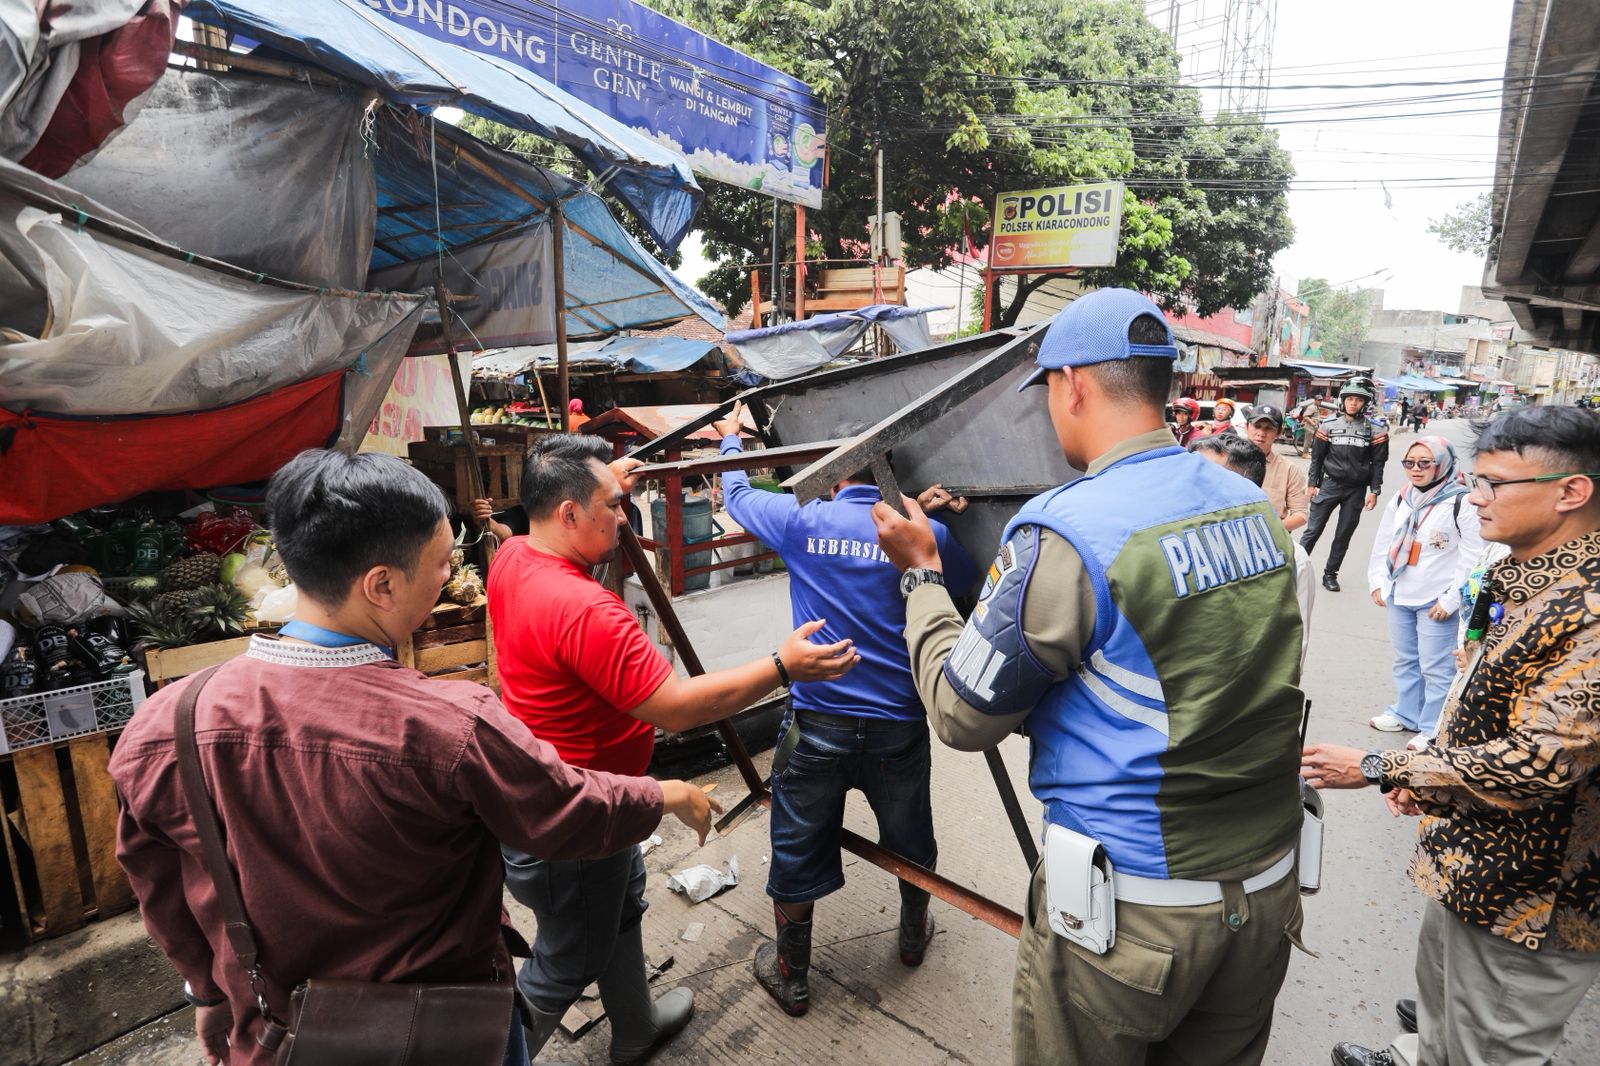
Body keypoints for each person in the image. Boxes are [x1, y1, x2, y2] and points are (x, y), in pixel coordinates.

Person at [110, 450, 720, 1066]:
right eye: (442, 563)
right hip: (441, 1028)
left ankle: (635, 1025)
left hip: (280, 1036)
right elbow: (562, 809)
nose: (448, 576)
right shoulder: (445, 725)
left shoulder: (166, 725)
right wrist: (663, 793)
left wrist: (208, 992)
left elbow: (159, 882)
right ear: (382, 585)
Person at [872, 288, 1308, 1066]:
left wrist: (923, 576)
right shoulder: (1251, 506)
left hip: (1135, 916)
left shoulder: (1069, 530)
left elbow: (961, 714)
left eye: (1046, 392)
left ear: (1071, 385)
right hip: (1267, 890)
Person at [487, 434, 860, 1064]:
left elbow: (578, 527)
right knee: (565, 962)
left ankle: (635, 1028)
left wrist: (604, 484)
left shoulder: (515, 555)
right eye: (613, 505)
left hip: (571, 795)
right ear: (569, 512)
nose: (624, 516)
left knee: (621, 904)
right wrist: (782, 666)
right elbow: (680, 707)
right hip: (575, 819)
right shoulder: (587, 610)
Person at [1302, 405, 1600, 1066]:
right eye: (1474, 479)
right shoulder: (1520, 575)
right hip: (1474, 866)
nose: (1476, 496)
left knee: (1486, 1050)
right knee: (1442, 1028)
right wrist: (1431, 770)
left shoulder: (1590, 607)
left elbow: (1541, 760)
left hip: (1532, 898)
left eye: (1494, 483)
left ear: (1571, 491)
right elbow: (1484, 695)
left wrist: (1384, 768)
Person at [709, 404, 979, 1016]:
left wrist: (730, 442)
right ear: (889, 474)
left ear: (831, 476)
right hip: (898, 729)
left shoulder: (800, 519)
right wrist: (928, 521)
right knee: (911, 840)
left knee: (795, 849)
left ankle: (793, 977)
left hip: (817, 726)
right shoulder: (925, 535)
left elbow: (738, 496)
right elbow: (961, 580)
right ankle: (912, 938)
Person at [1365, 436, 1483, 752]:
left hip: (1436, 599)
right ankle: (1406, 713)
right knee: (1406, 660)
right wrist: (1378, 581)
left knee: (1437, 668)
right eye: (1409, 463)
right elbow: (1385, 539)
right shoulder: (1403, 496)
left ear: (1442, 464)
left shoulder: (1461, 501)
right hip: (1399, 591)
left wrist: (1451, 599)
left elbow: (1472, 555)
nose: (1415, 469)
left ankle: (1432, 727)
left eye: (1424, 463)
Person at [1189, 432, 1316, 666]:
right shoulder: (1170, 544)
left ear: (1244, 489)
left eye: (1205, 478)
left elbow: (1294, 645)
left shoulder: (1291, 558)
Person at [1301, 379, 1389, 592]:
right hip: (1330, 485)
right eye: (1349, 399)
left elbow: (1378, 464)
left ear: (1366, 403)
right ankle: (1296, 568)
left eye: (1358, 400)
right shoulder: (1328, 425)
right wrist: (1312, 484)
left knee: (1343, 535)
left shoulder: (1376, 431)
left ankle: (1330, 575)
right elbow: (1317, 458)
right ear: (1343, 401)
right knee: (1313, 530)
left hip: (1356, 490)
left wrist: (1374, 491)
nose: (1353, 403)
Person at [1242, 404, 1309, 533]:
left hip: (1271, 538)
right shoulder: (1227, 461)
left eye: (1269, 428)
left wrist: (1268, 531)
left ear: (1279, 432)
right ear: (1246, 427)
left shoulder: (1289, 469)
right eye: (1257, 426)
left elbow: (1300, 514)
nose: (1261, 433)